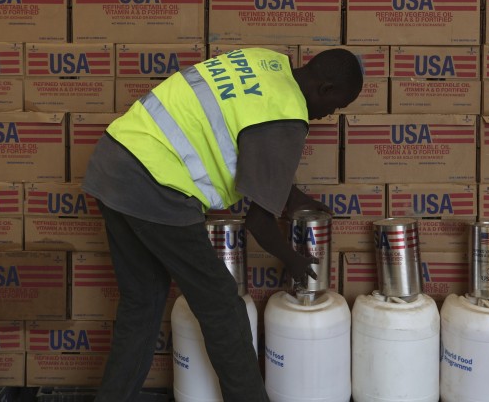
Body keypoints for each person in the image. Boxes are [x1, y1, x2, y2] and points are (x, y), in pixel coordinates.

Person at [81, 47, 364, 402]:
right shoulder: (288, 117)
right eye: (336, 105)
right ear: (325, 88)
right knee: (222, 308)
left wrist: (291, 198)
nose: (330, 114)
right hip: (156, 186)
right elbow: (258, 223)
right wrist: (293, 261)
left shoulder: (266, 61)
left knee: (142, 301)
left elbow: (247, 140)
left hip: (113, 161)